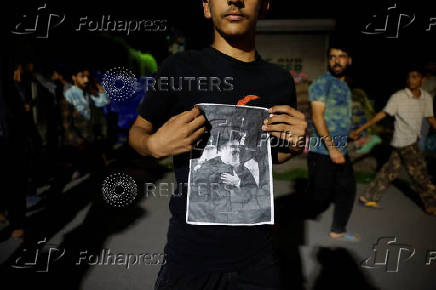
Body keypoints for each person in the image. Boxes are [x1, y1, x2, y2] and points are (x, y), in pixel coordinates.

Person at [129, 0, 307, 288]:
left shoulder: (279, 81)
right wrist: (152, 145)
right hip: (189, 257)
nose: (234, 0)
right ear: (206, 7)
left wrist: (295, 144)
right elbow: (138, 131)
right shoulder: (179, 68)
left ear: (263, 7)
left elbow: (274, 154)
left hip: (257, 259)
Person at [350, 67, 436, 215]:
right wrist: (359, 130)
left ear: (423, 80)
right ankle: (431, 204)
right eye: (409, 77)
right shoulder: (399, 97)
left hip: (413, 139)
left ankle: (368, 197)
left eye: (415, 77)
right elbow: (381, 115)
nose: (411, 80)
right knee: (420, 174)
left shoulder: (426, 98)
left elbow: (430, 117)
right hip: (404, 141)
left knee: (389, 171)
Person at [307, 41, 359, 242]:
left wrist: (349, 134)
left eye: (341, 56)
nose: (337, 61)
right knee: (318, 197)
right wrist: (332, 149)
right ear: (329, 60)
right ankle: (280, 218)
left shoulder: (344, 85)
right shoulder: (323, 83)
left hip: (339, 148)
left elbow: (336, 117)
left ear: (349, 60)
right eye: (333, 57)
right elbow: (318, 117)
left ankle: (338, 229)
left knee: (347, 188)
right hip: (323, 151)